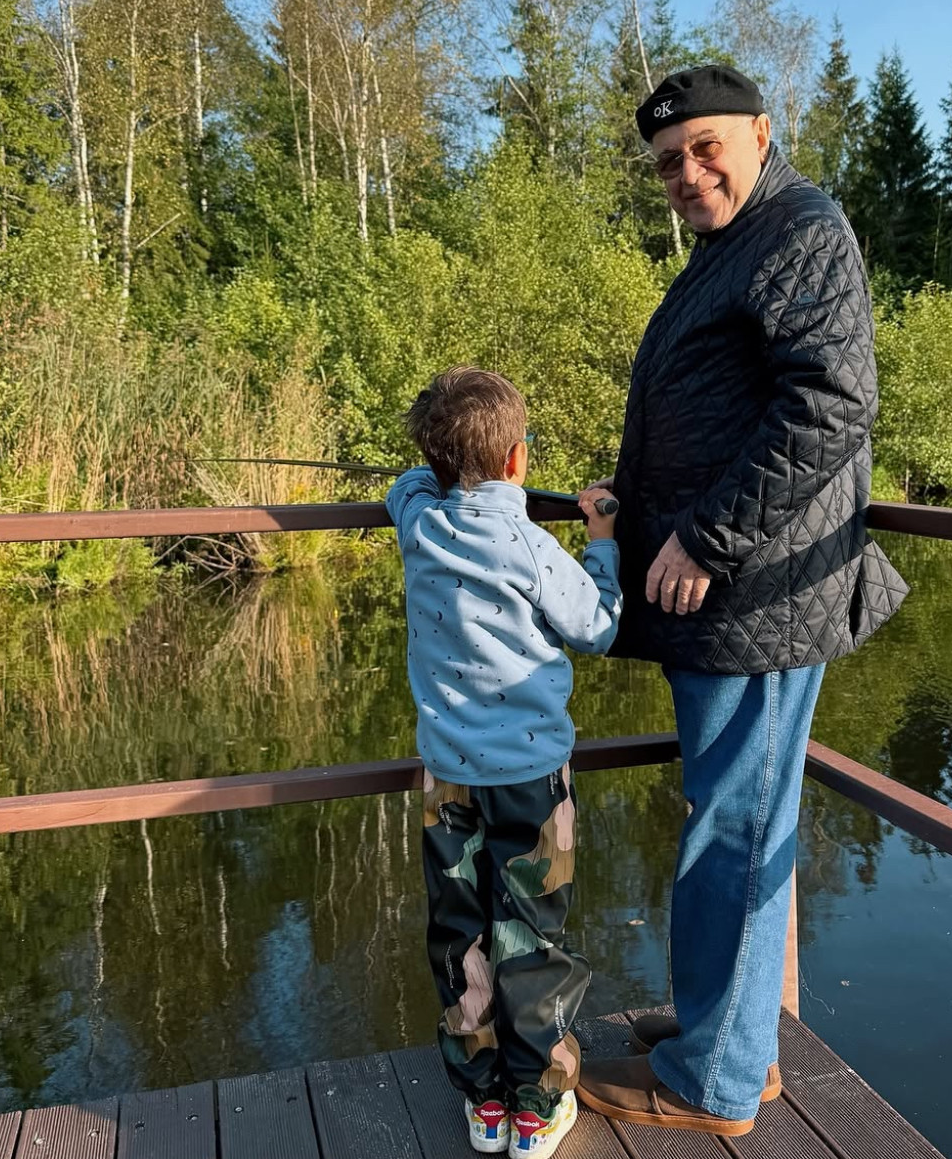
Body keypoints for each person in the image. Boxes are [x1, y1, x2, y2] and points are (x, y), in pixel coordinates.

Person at [576, 65, 908, 1138]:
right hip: (723, 597)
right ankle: (731, 1029)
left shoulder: (801, 229)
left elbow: (832, 405)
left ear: (763, 135)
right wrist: (632, 508)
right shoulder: (735, 247)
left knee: (738, 826)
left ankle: (715, 1078)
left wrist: (708, 535)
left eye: (706, 146)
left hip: (754, 592)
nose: (688, 171)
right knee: (727, 816)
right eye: (670, 161)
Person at [386, 366, 622, 1157]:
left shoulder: (421, 524)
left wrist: (438, 464)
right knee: (531, 933)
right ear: (520, 461)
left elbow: (407, 485)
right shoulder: (530, 544)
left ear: (438, 461)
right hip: (530, 781)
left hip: (446, 776)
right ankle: (537, 1103)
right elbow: (595, 625)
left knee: (460, 934)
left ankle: (483, 1101)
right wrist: (602, 541)